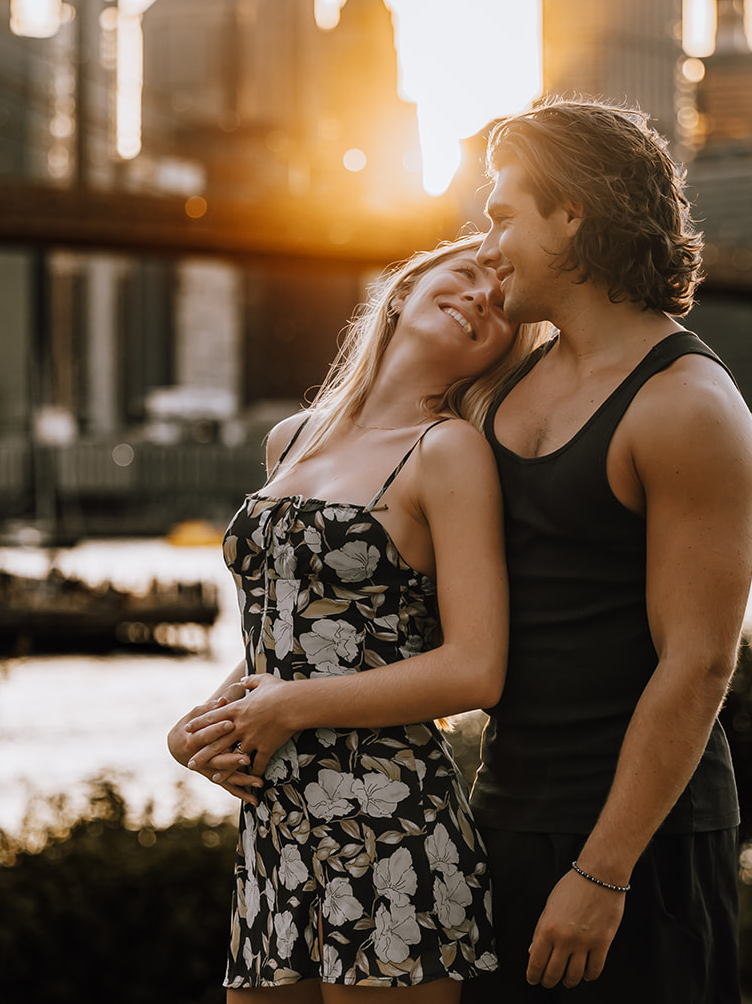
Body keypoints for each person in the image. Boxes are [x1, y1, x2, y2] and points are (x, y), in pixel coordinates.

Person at [167, 234, 551, 999]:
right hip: (275, 832)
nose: (483, 295)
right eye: (468, 272)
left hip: (393, 828)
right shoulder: (291, 438)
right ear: (405, 289)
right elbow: (301, 627)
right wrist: (203, 725)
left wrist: (290, 706)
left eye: (502, 305)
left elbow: (476, 666)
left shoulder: (448, 452)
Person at [462, 98, 752, 1002]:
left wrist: (603, 873)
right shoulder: (497, 379)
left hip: (645, 843)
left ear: (572, 215)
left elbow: (699, 663)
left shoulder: (687, 407)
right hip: (504, 813)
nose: (487, 241)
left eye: (504, 214)